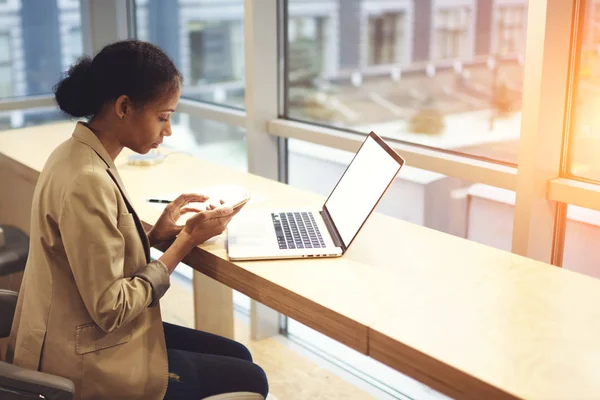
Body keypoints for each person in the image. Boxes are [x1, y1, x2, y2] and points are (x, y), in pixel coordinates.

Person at [6, 40, 269, 400]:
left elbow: (93, 253)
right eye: (163, 116)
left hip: (70, 330)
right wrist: (182, 244)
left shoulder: (75, 153)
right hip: (85, 360)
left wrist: (156, 234)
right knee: (251, 378)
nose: (169, 130)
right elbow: (111, 308)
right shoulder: (88, 180)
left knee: (237, 355)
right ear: (124, 107)